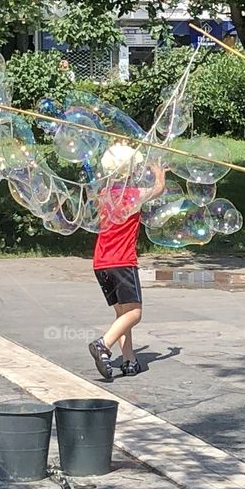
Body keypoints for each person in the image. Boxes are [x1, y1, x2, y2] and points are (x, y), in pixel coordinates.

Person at [88, 152, 166, 380]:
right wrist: (158, 173)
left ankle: (129, 360)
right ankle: (103, 344)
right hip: (122, 261)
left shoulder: (104, 194)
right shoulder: (133, 195)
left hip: (101, 263)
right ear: (130, 171)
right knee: (134, 313)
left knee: (122, 312)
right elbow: (158, 188)